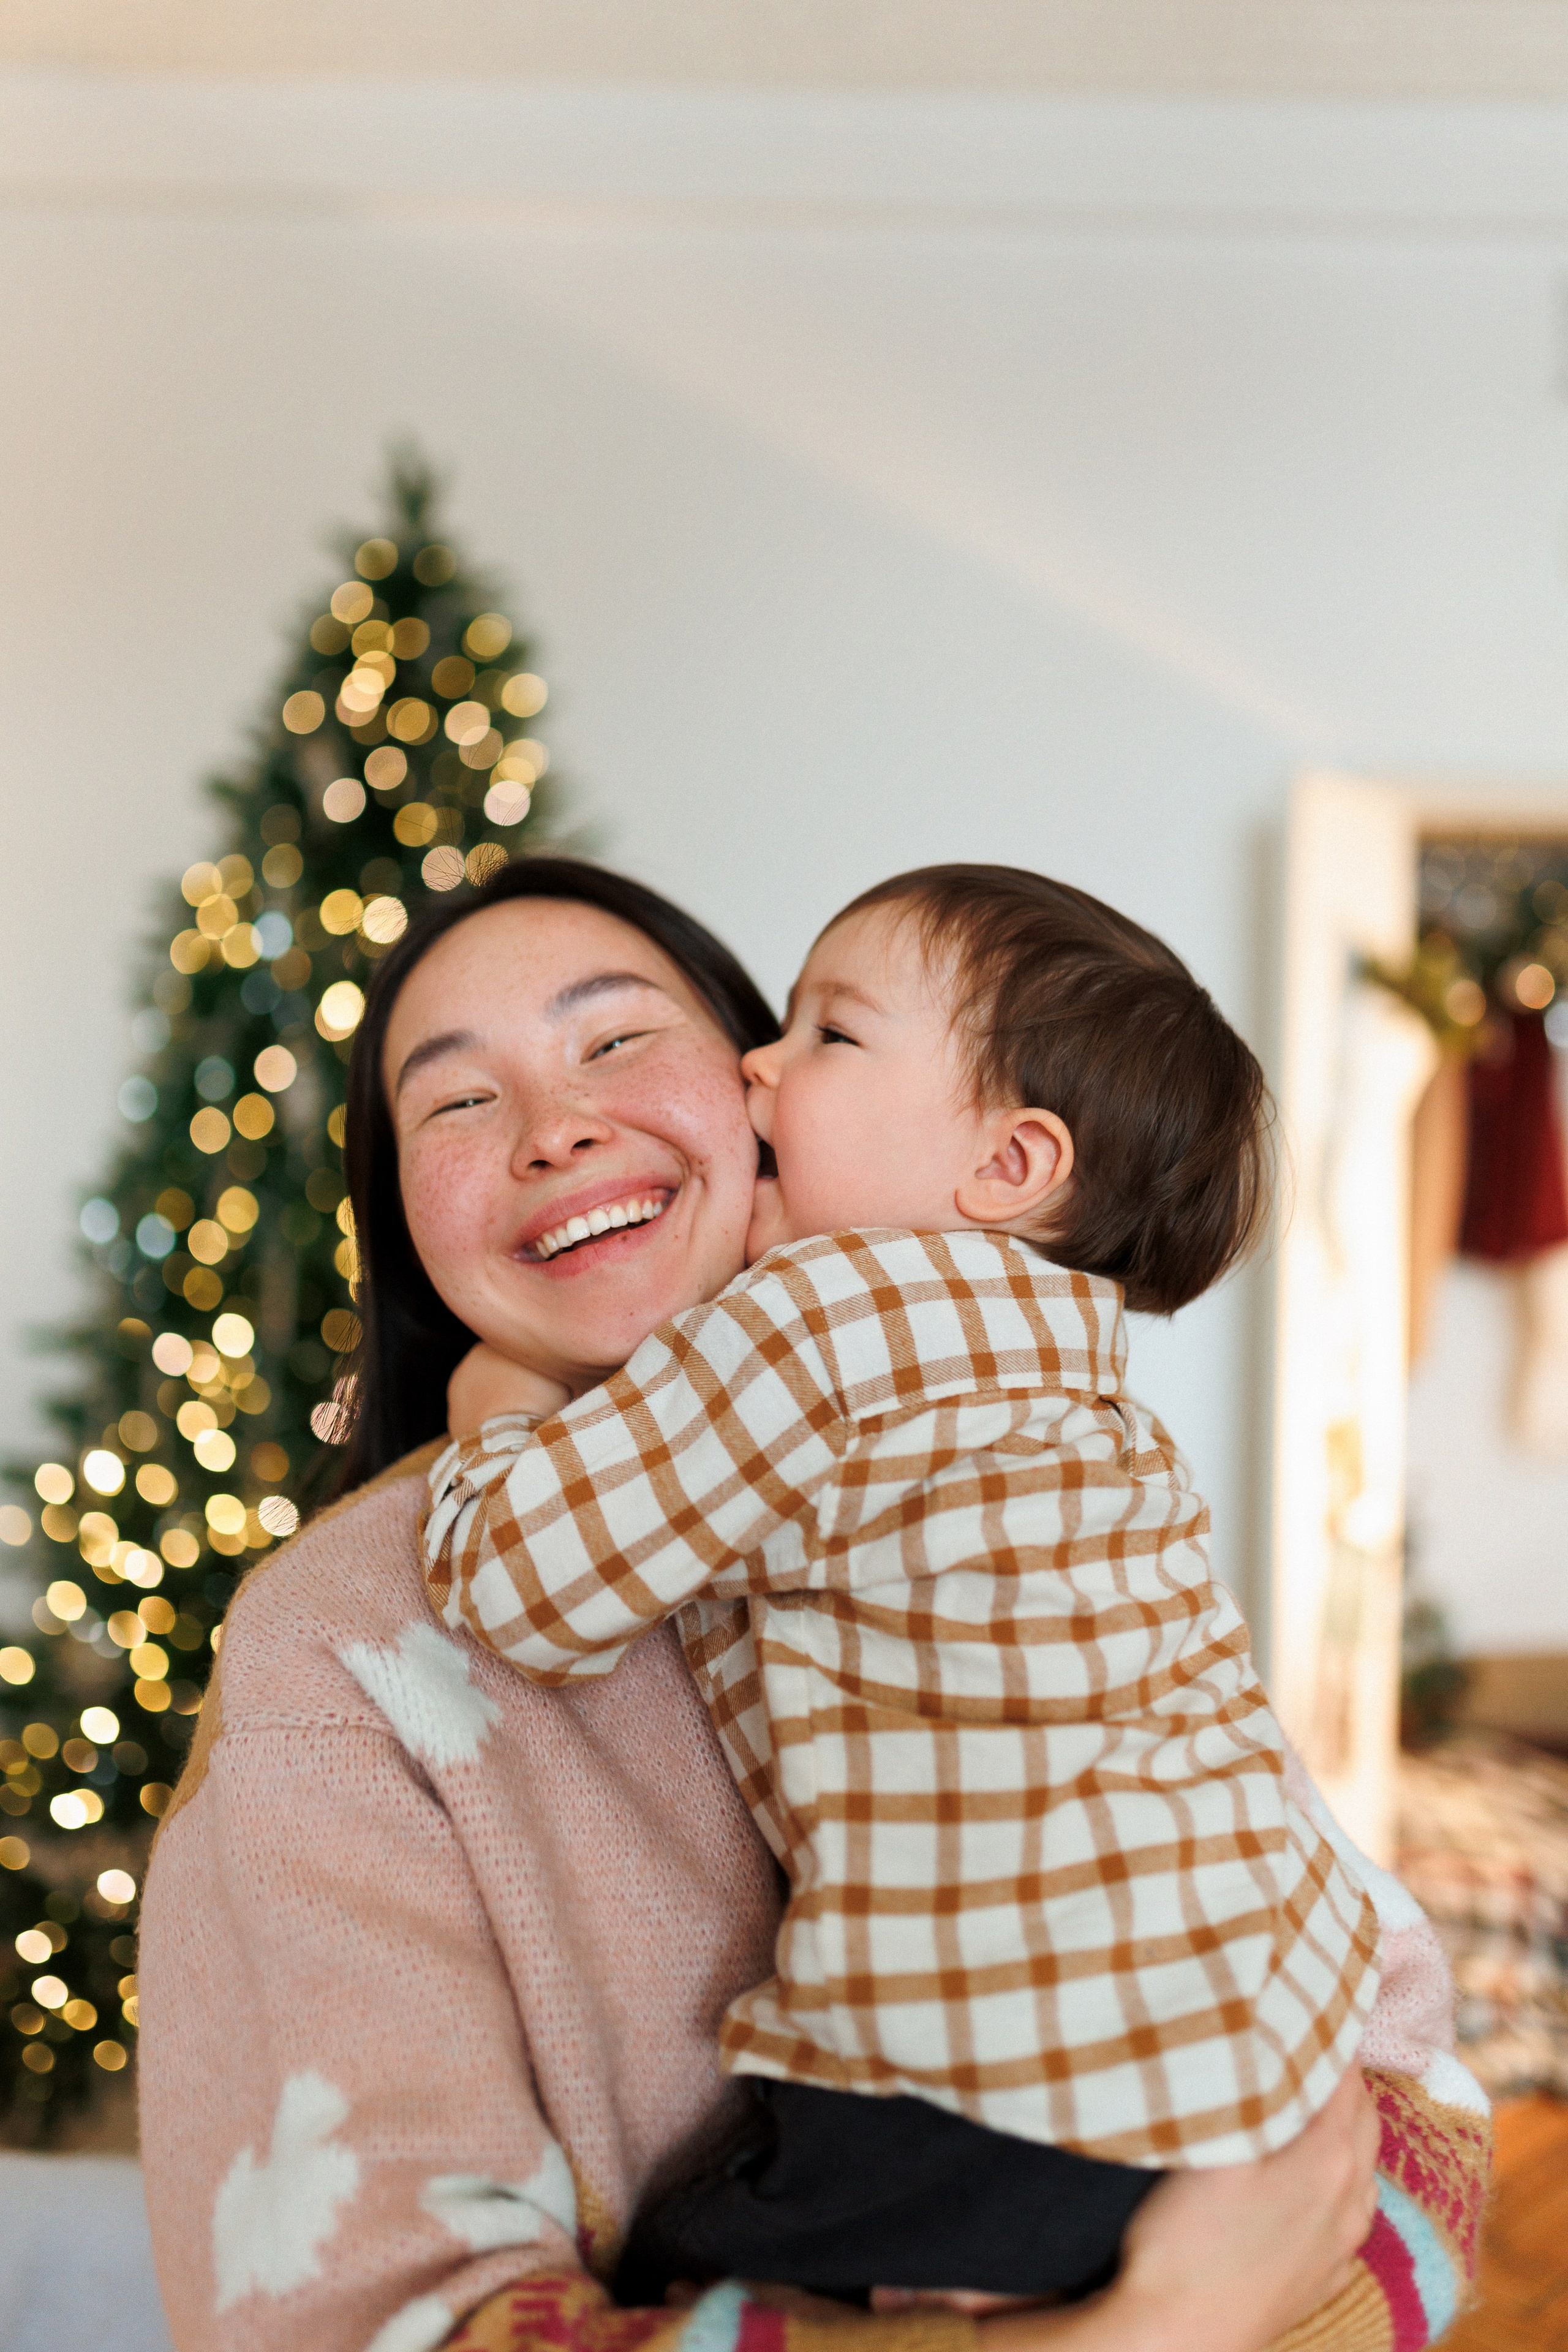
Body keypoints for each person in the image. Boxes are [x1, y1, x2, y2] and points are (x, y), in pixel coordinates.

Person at [136, 859, 1460, 2352]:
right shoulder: (331, 1654)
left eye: (617, 1039)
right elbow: (381, 2322)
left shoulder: (968, 1479)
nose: (553, 1127)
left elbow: (1411, 2076)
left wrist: (498, 1418)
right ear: (397, 1212)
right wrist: (1151, 2328)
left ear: (745, 1084)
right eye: (455, 1101)